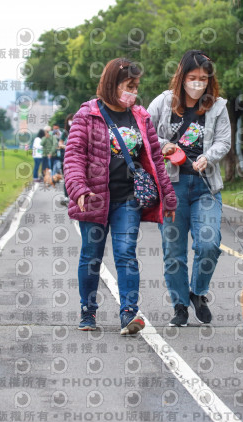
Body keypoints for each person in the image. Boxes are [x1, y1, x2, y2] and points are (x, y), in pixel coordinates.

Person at [65, 58, 177, 335]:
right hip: (94, 198)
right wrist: (78, 188)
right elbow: (74, 156)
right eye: (129, 86)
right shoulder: (87, 115)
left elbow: (154, 160)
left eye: (136, 87)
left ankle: (129, 313)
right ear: (112, 84)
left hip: (128, 198)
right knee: (91, 256)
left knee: (126, 253)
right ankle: (87, 311)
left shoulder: (140, 116)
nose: (134, 92)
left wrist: (169, 198)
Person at [147, 50, 231, 326]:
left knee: (209, 244)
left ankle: (198, 292)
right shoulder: (163, 102)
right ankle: (180, 306)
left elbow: (224, 142)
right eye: (192, 78)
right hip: (172, 187)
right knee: (174, 250)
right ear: (181, 78)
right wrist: (163, 145)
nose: (198, 83)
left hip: (205, 185)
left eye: (203, 79)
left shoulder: (217, 106)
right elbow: (143, 133)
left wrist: (209, 157)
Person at [59, 114, 74, 204]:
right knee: (67, 178)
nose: (71, 122)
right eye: (70, 120)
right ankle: (66, 196)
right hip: (66, 158)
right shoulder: (65, 133)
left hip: (78, 158)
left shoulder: (80, 131)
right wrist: (66, 146)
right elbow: (60, 144)